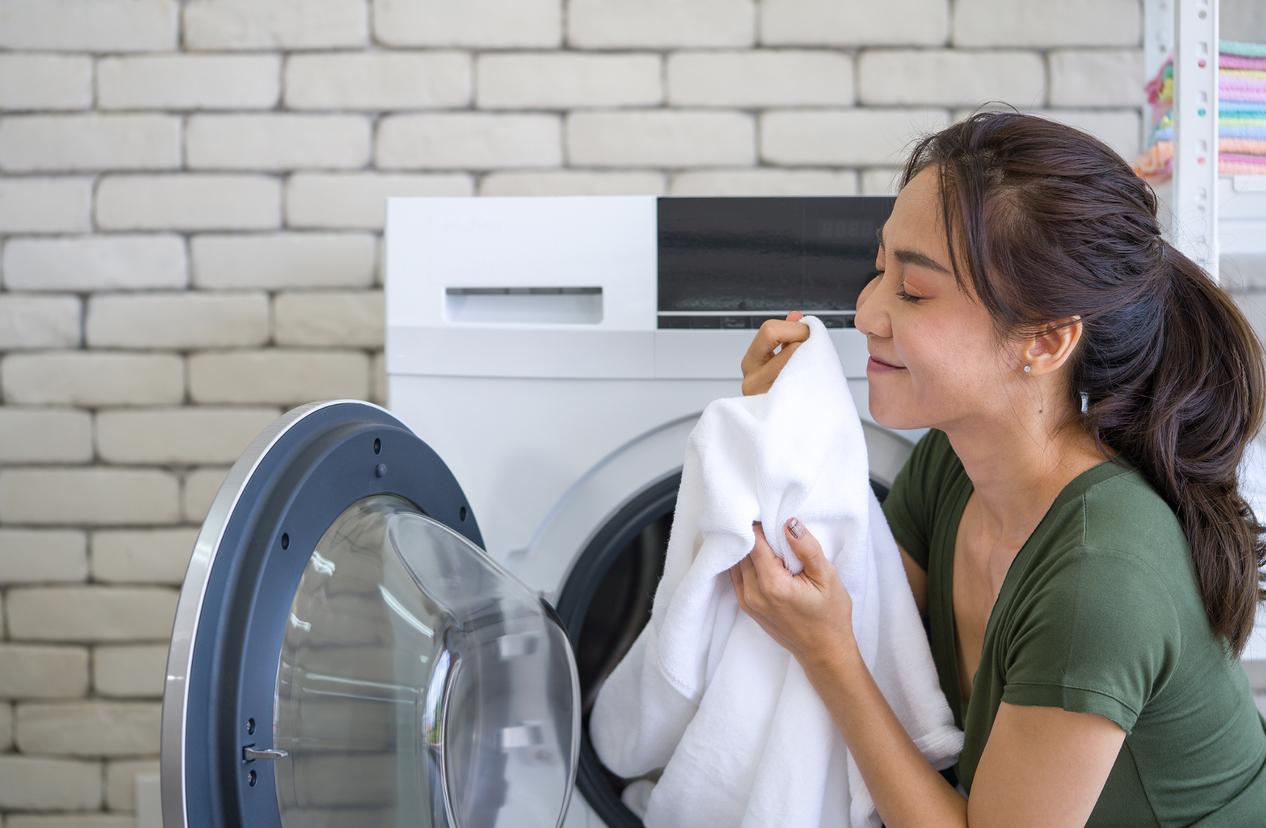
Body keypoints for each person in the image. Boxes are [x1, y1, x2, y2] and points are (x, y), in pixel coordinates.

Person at [732, 111, 1266, 826]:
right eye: (879, 267)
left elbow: (839, 643)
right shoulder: (950, 469)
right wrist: (778, 434)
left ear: (1045, 341)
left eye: (913, 291)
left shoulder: (1098, 579)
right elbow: (845, 597)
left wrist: (828, 655)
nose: (865, 312)